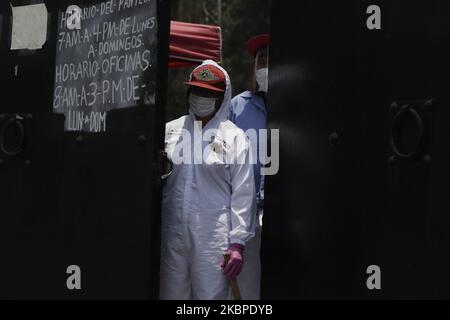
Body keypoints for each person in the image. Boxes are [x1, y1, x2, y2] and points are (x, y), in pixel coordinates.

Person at [160, 60, 257, 300]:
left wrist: (238, 242)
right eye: (197, 90)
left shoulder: (234, 138)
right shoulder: (170, 131)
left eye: (208, 93)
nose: (200, 97)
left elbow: (244, 193)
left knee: (209, 298)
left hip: (214, 238)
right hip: (172, 233)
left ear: (222, 97)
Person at [229, 34, 270, 300]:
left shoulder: (301, 104)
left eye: (271, 59)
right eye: (261, 59)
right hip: (248, 214)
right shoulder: (238, 106)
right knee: (247, 289)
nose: (265, 65)